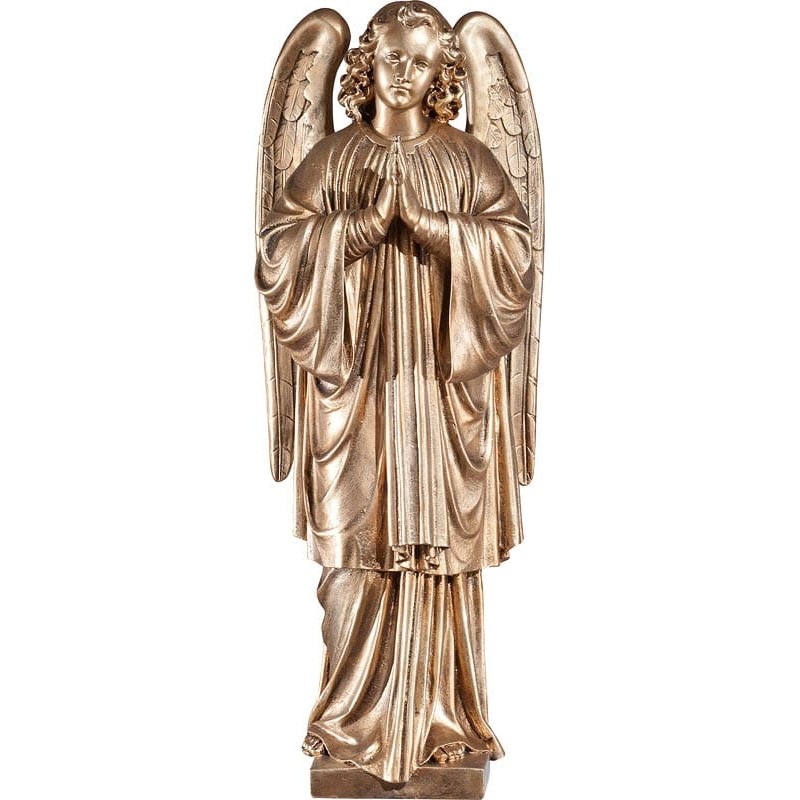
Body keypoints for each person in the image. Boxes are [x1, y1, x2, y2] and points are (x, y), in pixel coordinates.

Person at [256, 2, 533, 785]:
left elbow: (516, 255)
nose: (404, 74)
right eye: (391, 58)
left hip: (441, 396)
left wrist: (442, 231)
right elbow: (276, 255)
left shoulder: (469, 160)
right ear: (366, 65)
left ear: (444, 72)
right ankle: (349, 725)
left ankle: (443, 718)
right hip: (358, 393)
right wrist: (359, 229)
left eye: (420, 61)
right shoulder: (333, 159)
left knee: (441, 560)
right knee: (354, 556)